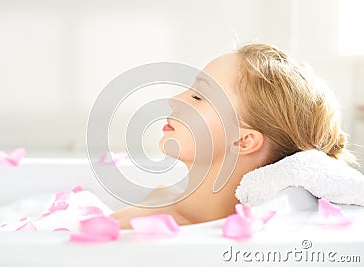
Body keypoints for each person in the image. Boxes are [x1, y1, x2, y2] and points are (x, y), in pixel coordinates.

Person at [110, 43, 355, 229]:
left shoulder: (156, 228)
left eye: (198, 97)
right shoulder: (163, 194)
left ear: (243, 140)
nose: (173, 100)